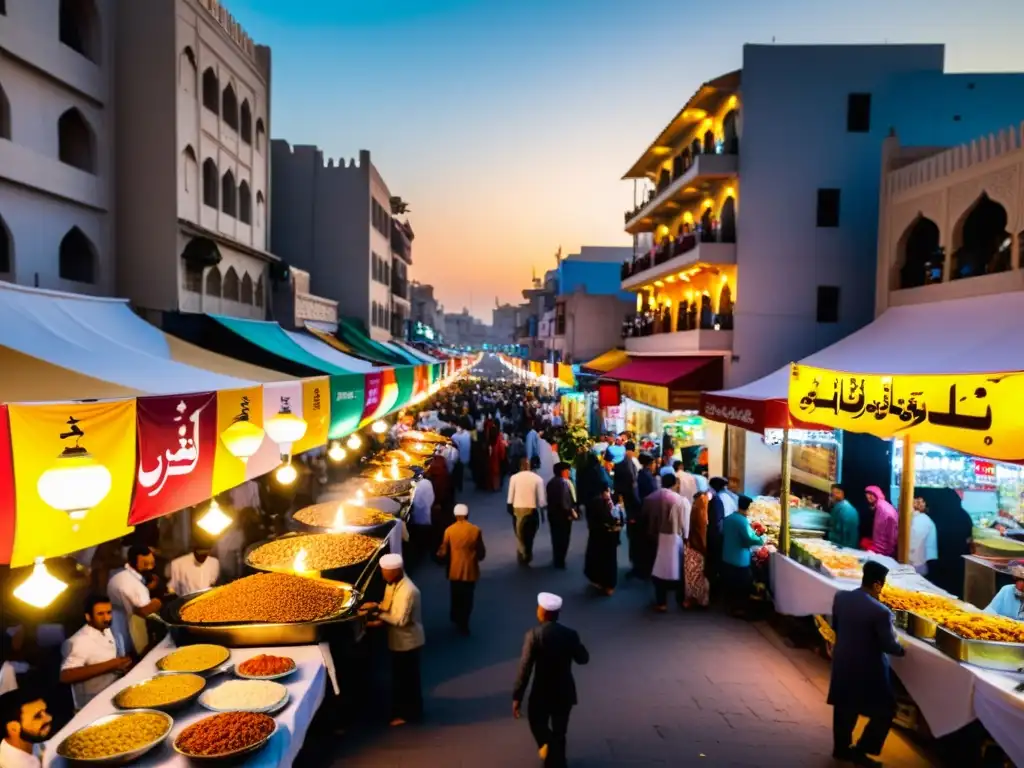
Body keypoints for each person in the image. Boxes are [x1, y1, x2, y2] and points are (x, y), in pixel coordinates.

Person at [829, 560, 906, 766]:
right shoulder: (881, 611)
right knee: (886, 709)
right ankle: (863, 749)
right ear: (878, 584)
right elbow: (890, 646)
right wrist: (903, 650)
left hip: (842, 660)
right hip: (868, 669)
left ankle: (841, 748)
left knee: (845, 705)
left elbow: (835, 626)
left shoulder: (841, 597)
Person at [512, 593, 589, 768]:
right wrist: (577, 643)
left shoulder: (533, 635)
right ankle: (559, 761)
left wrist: (518, 696)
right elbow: (583, 659)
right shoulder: (570, 634)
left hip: (541, 692)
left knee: (537, 722)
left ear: (543, 612)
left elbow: (525, 668)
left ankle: (549, 750)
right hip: (564, 692)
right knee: (560, 730)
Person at [361, 554, 424, 726]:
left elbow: (399, 620)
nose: (383, 575)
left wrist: (377, 615)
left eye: (385, 572)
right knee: (401, 677)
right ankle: (408, 711)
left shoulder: (409, 591)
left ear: (395, 571)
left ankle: (407, 714)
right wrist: (375, 605)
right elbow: (387, 604)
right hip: (397, 640)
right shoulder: (393, 584)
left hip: (407, 642)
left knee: (406, 680)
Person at [60, 595, 132, 710]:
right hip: (92, 706)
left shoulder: (109, 630)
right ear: (88, 617)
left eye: (109, 612)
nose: (107, 618)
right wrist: (111, 665)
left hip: (115, 695)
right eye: (100, 614)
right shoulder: (78, 641)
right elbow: (66, 675)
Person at [436, 504, 486, 635]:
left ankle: (456, 617)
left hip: (454, 570)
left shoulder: (449, 530)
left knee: (456, 595)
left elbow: (443, 551)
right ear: (467, 515)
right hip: (470, 570)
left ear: (455, 515)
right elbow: (481, 552)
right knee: (468, 598)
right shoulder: (475, 530)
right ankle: (464, 622)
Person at [106, 544, 162, 656]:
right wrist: (158, 603)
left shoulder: (118, 573)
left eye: (152, 563)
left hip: (115, 618)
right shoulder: (135, 586)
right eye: (145, 564)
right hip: (127, 627)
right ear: (132, 562)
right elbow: (144, 611)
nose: (150, 568)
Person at [646, 473, 690, 612]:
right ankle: (681, 600)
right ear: (675, 484)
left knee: (658, 570)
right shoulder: (681, 500)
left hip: (655, 538)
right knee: (678, 569)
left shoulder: (651, 498)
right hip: (675, 538)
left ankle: (661, 602)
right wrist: (686, 538)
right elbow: (685, 524)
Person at [720, 495, 765, 618]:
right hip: (739, 560)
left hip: (727, 557)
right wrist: (762, 539)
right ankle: (738, 609)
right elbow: (750, 538)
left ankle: (729, 607)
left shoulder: (729, 518)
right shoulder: (742, 521)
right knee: (742, 586)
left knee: (730, 584)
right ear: (749, 508)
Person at [507, 458, 547, 565]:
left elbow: (510, 496)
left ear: (520, 466)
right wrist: (542, 511)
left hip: (517, 509)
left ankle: (521, 551)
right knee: (530, 533)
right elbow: (542, 500)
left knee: (519, 532)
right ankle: (528, 551)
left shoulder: (514, 478)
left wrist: (509, 506)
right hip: (531, 509)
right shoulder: (537, 479)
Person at [584, 486, 622, 596]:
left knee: (596, 558)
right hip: (607, 536)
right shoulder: (604, 503)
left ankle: (597, 580)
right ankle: (609, 585)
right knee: (609, 561)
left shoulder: (592, 502)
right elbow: (611, 518)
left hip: (596, 535)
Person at [0, 690, 52, 768]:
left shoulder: (35, 740)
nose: (49, 718)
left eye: (45, 711)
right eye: (37, 716)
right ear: (13, 728)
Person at [546, 463, 578, 570]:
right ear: (562, 471)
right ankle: (561, 560)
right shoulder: (564, 483)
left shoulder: (550, 483)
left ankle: (556, 558)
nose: (568, 473)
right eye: (567, 471)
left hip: (552, 514)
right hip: (563, 516)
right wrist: (570, 513)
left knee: (555, 537)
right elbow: (565, 501)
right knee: (564, 538)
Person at [684, 492, 710, 608]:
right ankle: (699, 599)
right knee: (697, 576)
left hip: (691, 548)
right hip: (697, 549)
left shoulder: (694, 510)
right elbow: (701, 533)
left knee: (692, 576)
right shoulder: (700, 512)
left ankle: (692, 599)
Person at [706, 477, 728, 590]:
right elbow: (717, 522)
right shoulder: (717, 500)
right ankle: (713, 588)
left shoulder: (710, 497)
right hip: (715, 536)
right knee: (714, 562)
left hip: (710, 534)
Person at [908, 496, 939, 576]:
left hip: (906, 565)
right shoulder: (928, 522)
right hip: (919, 567)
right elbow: (931, 554)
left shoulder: (905, 519)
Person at [864, 486, 898, 557]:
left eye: (871, 494)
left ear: (877, 494)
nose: (868, 496)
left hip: (883, 551)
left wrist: (888, 551)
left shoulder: (883, 509)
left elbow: (891, 535)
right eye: (867, 494)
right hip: (880, 548)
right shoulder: (880, 506)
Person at [828, 484, 860, 550]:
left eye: (832, 495)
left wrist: (846, 552)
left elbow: (850, 538)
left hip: (844, 550)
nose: (831, 498)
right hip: (835, 546)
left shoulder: (848, 510)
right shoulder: (838, 507)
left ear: (841, 493)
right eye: (832, 494)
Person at [451, 425, 471, 492]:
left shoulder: (454, 436)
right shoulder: (467, 434)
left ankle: (458, 486)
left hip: (458, 457)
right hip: (464, 456)